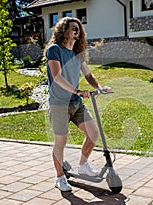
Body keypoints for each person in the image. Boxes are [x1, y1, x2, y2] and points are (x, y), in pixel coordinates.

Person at [44, 17, 110, 191]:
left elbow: (88, 75)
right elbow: (57, 77)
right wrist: (77, 91)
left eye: (79, 29)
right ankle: (60, 178)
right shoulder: (54, 50)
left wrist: (99, 87)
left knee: (93, 133)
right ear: (63, 30)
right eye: (73, 28)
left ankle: (83, 165)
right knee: (61, 142)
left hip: (75, 103)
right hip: (59, 104)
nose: (77, 31)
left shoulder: (77, 54)